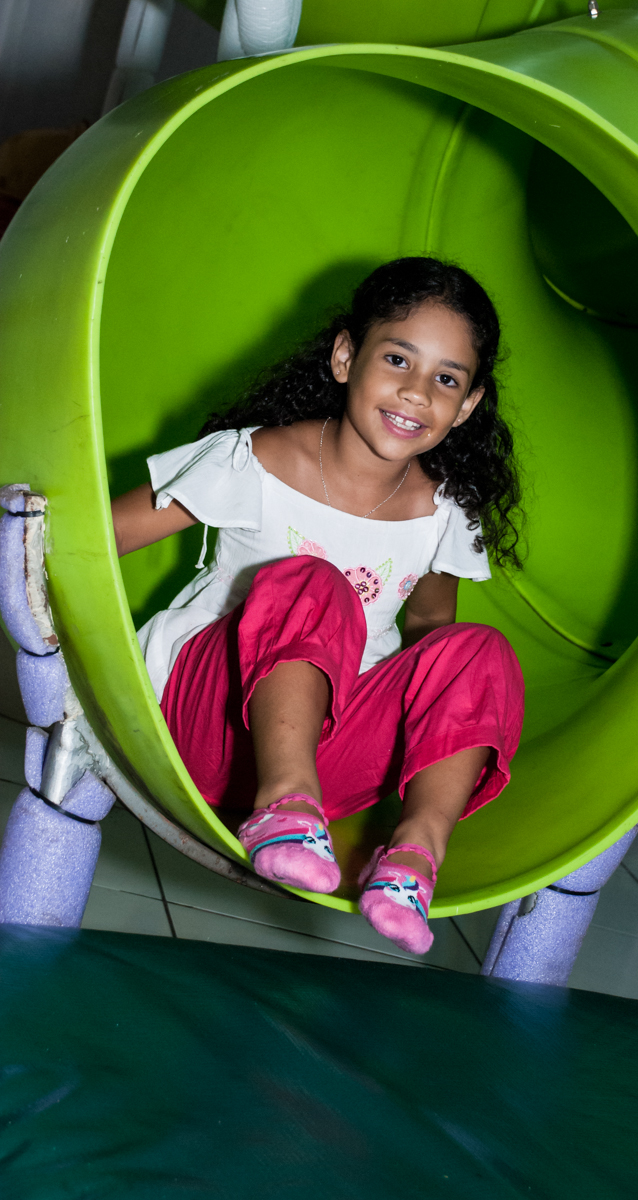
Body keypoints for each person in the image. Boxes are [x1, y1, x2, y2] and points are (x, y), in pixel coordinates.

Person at [111, 257, 525, 955]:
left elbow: (432, 635)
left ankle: (412, 861)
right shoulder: (256, 462)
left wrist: (427, 704)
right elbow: (97, 537)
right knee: (313, 581)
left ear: (467, 406)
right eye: (397, 358)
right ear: (344, 357)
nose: (416, 392)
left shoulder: (444, 512)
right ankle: (284, 800)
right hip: (204, 719)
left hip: (335, 752)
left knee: (481, 650)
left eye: (445, 379)